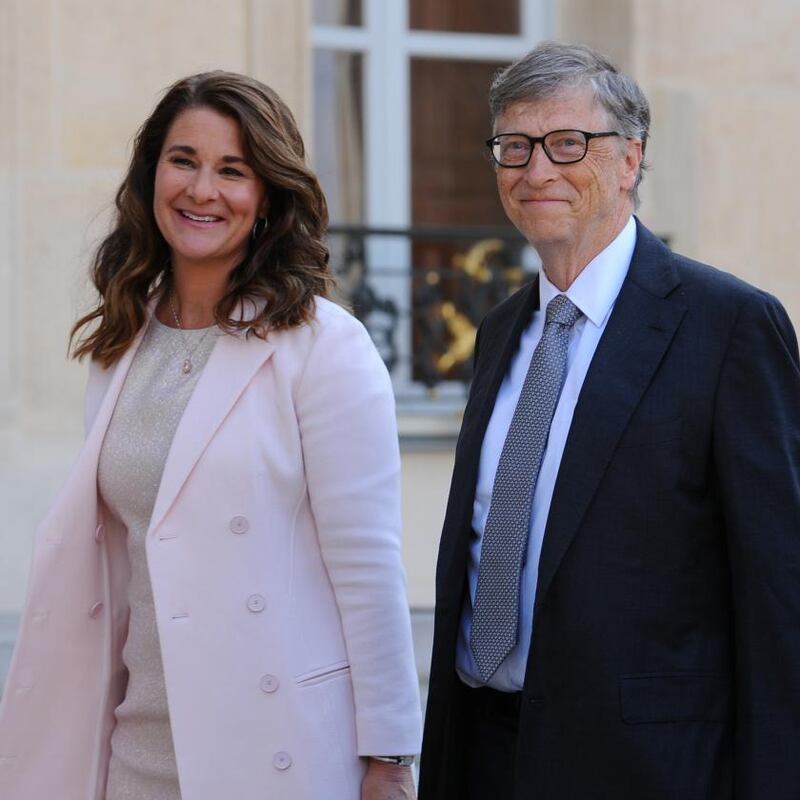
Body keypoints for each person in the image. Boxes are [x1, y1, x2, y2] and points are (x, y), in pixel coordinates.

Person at [0, 71, 421, 800]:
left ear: (268, 198)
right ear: (151, 174)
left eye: (234, 170)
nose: (202, 190)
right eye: (183, 160)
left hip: (276, 748)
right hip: (134, 753)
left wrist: (389, 756)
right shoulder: (121, 343)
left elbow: (368, 565)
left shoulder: (324, 346)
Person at [418, 41, 800, 800]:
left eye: (568, 144)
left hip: (649, 772)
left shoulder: (728, 327)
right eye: (515, 146)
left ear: (630, 160)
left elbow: (779, 595)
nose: (537, 171)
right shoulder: (499, 333)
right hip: (486, 755)